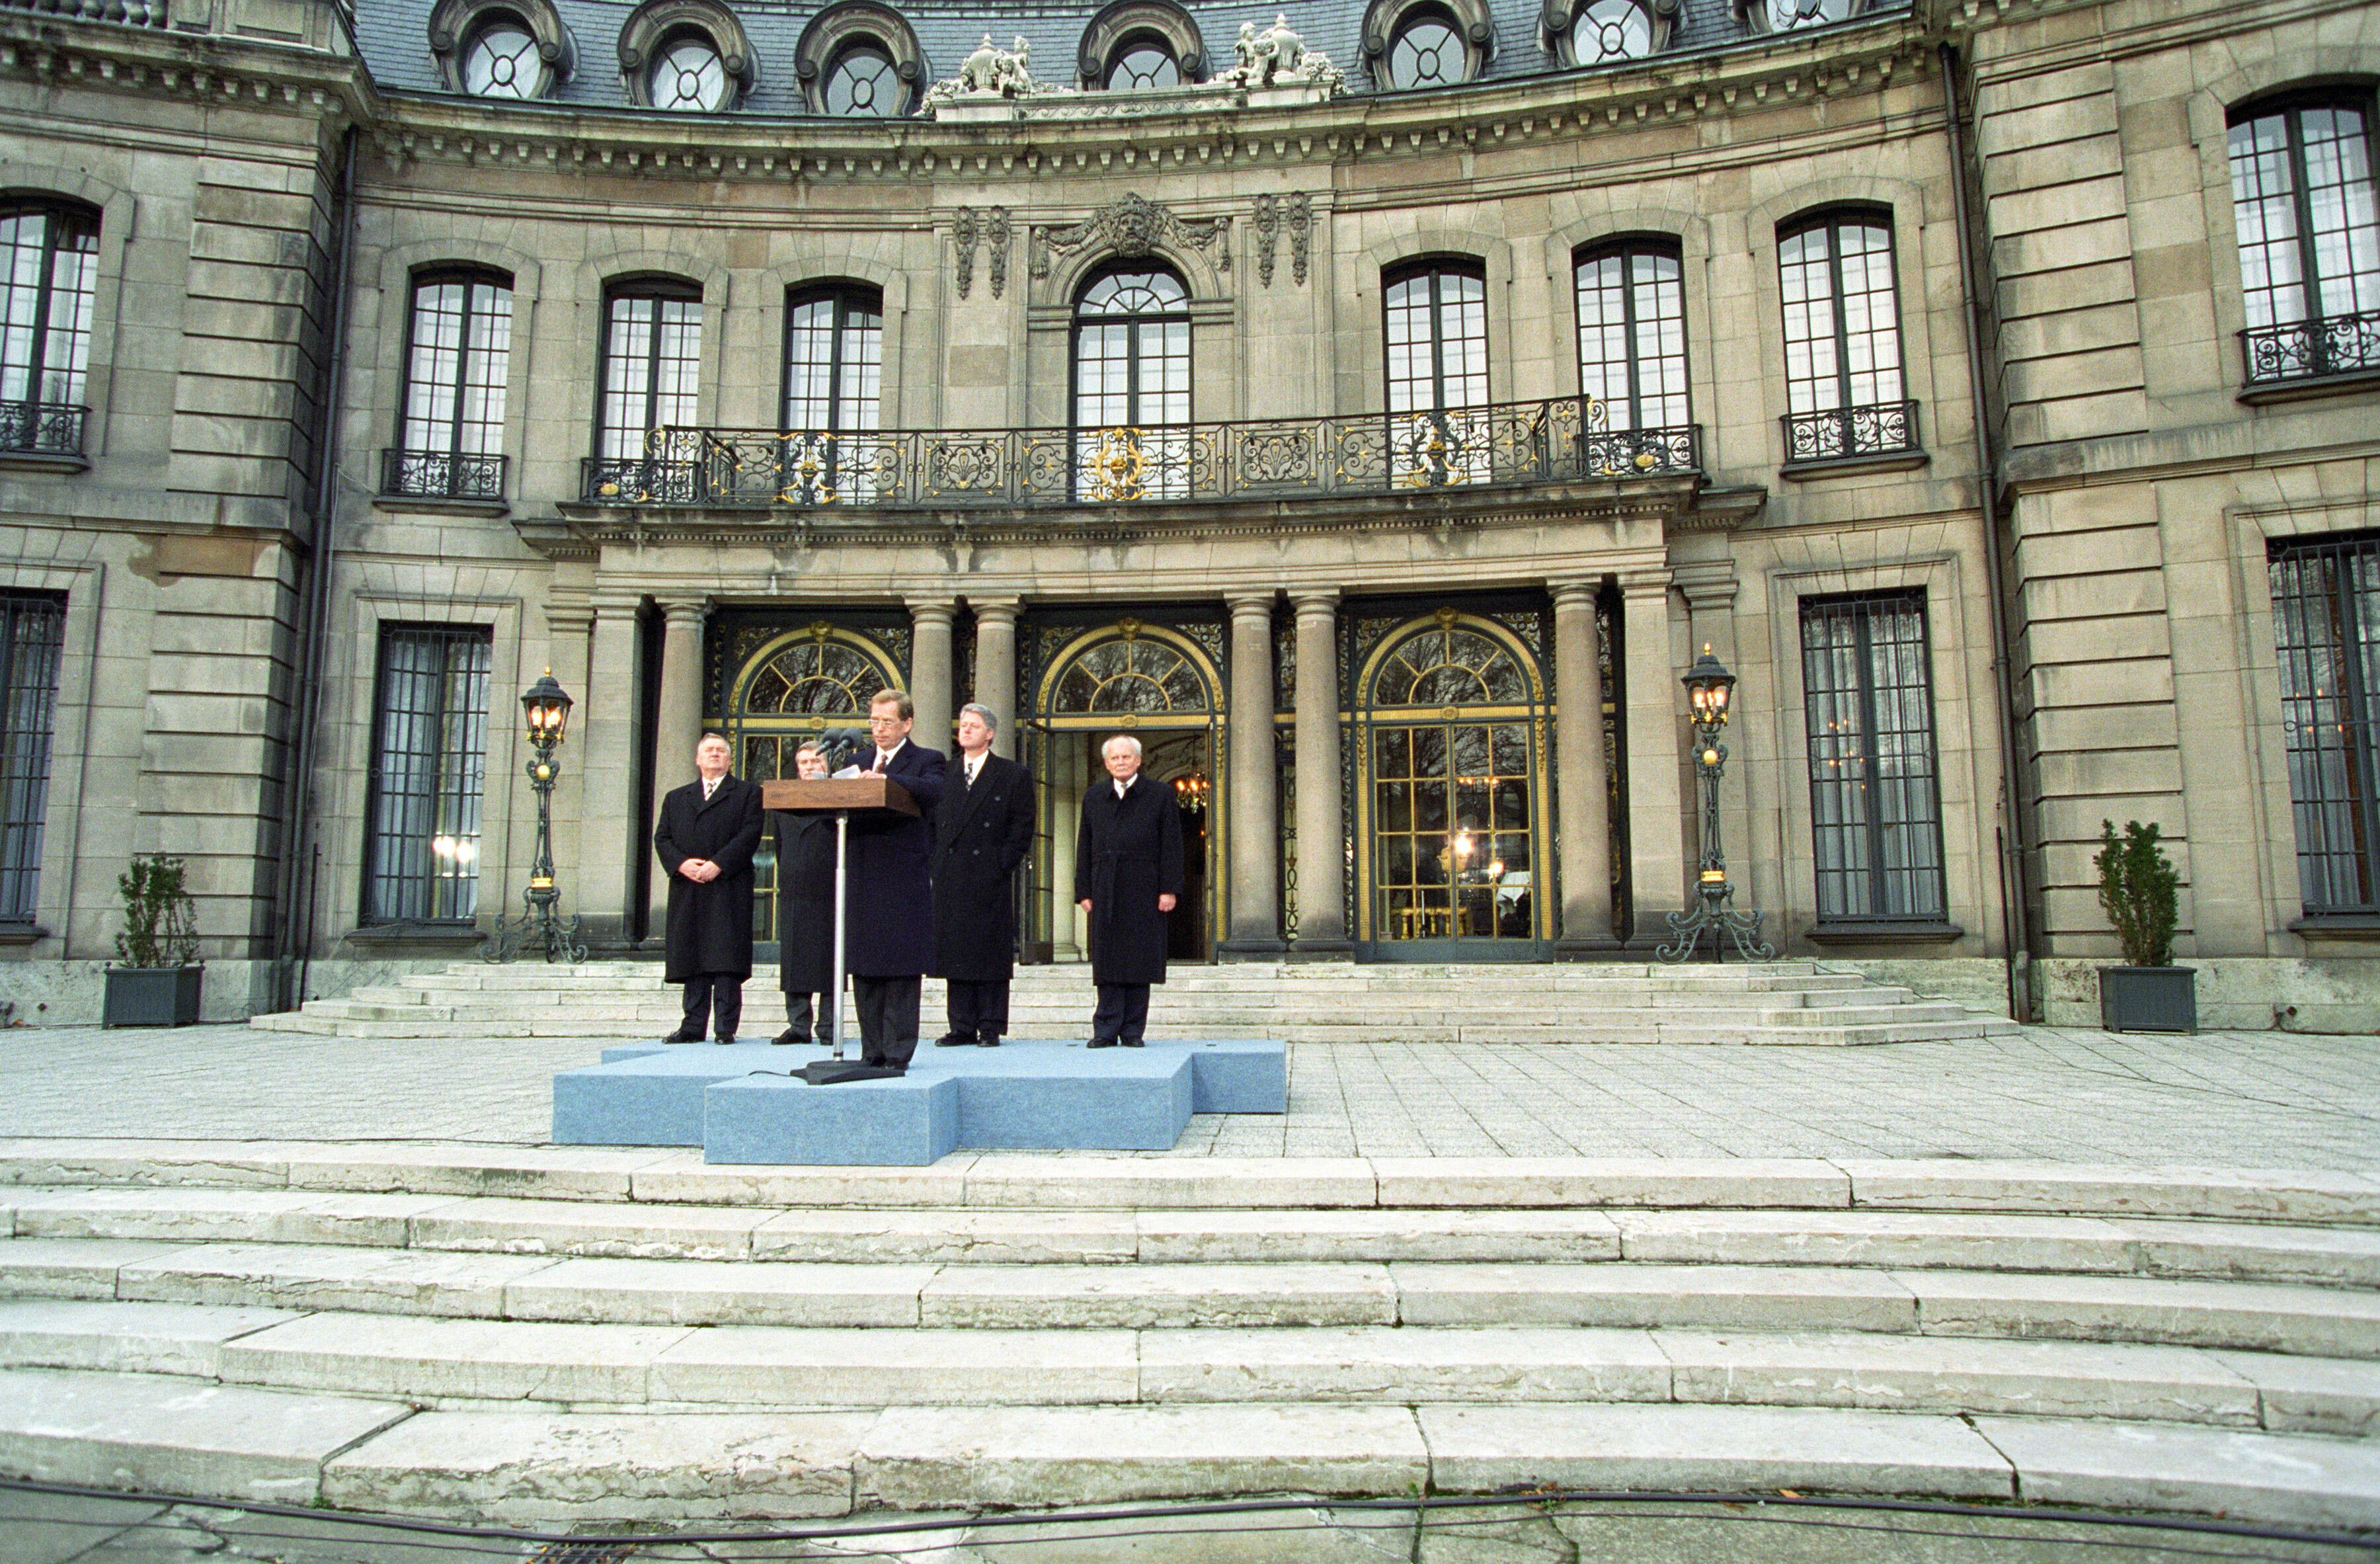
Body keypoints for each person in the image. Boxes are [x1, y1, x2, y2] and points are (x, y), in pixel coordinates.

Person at [844, 688, 945, 1072]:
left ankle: (898, 1051)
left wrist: (884, 781)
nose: (879, 730)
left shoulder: (927, 760)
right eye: (873, 721)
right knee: (865, 965)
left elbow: (934, 791)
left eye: (887, 722)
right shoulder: (857, 759)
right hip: (862, 872)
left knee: (901, 966)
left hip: (902, 877)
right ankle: (871, 1050)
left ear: (908, 723)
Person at [930, 703, 1035, 1048]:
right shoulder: (943, 774)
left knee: (989, 952)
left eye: (974, 726)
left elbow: (1022, 827)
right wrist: (935, 865)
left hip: (989, 876)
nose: (966, 730)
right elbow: (930, 825)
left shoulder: (1012, 774)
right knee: (956, 950)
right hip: (951, 877)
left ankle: (989, 1025)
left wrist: (1000, 865)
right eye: (962, 725)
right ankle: (961, 1025)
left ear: (990, 733)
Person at [1073, 733, 1184, 1048]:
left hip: (1145, 888)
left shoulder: (1160, 794)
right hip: (1105, 887)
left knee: (1139, 958)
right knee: (1107, 961)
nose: (1120, 762)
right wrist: (1083, 891)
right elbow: (1085, 846)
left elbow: (1172, 845)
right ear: (1107, 763)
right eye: (1114, 758)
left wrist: (1169, 889)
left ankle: (1133, 1030)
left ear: (1138, 761)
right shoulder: (1094, 796)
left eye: (1126, 757)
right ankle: (1106, 1030)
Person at [653, 731, 763, 1045]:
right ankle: (692, 1025)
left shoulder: (748, 793)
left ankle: (725, 1028)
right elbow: (662, 838)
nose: (715, 755)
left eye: (721, 751)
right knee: (693, 955)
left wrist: (718, 864)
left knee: (725, 957)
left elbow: (750, 833)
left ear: (730, 760)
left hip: (728, 885)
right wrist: (681, 864)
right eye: (709, 751)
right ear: (698, 759)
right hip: (689, 888)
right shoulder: (676, 798)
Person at [770, 742, 840, 1047]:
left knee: (829, 958)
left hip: (830, 891)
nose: (809, 767)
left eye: (815, 760)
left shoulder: (841, 798)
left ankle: (828, 1026)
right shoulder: (783, 802)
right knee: (795, 959)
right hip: (795, 891)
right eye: (803, 762)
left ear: (827, 766)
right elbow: (779, 848)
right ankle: (798, 1025)